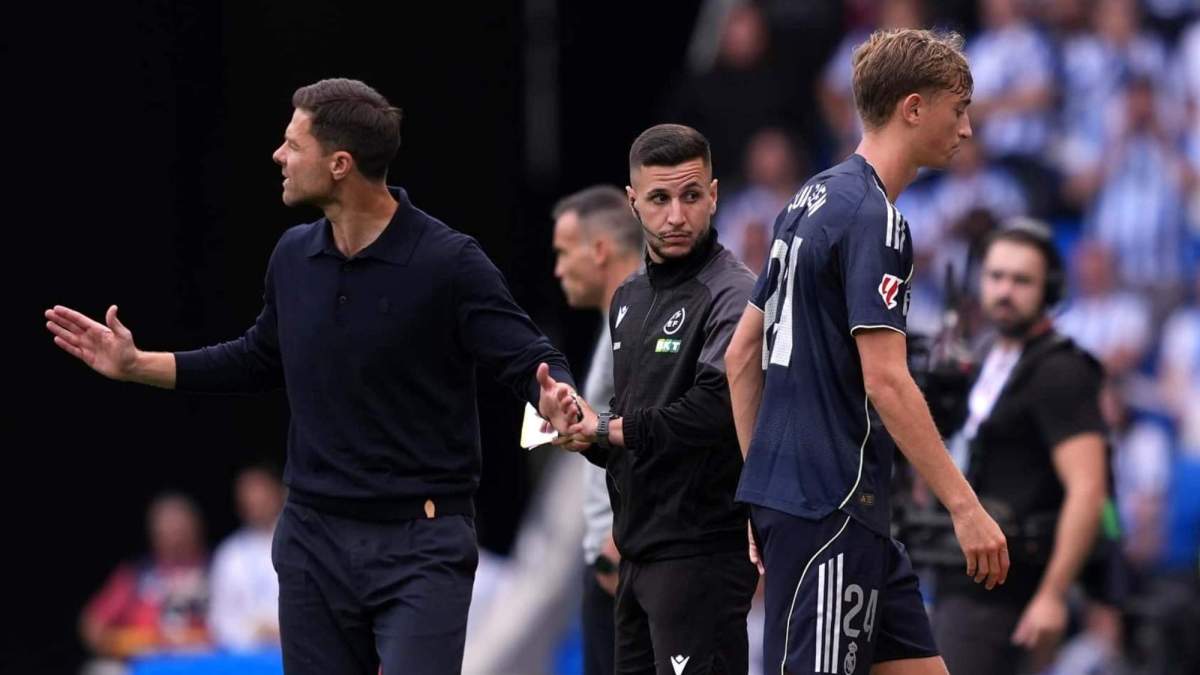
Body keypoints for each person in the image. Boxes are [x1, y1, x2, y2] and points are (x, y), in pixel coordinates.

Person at [46, 78, 582, 675]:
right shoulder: (292, 257)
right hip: (312, 542)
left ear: (339, 164)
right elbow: (258, 357)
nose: (278, 155)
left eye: (291, 144)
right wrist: (137, 364)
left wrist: (554, 394)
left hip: (421, 544)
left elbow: (525, 356)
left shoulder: (448, 261)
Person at [725, 28, 1009, 674]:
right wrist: (964, 506)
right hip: (831, 505)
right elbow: (886, 381)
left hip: (831, 506)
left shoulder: (806, 199)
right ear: (913, 108)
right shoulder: (877, 219)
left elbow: (742, 356)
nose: (966, 129)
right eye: (958, 109)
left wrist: (761, 491)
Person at [556, 124, 759, 675]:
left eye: (691, 196)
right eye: (659, 199)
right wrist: (582, 432)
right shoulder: (628, 297)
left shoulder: (735, 292)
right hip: (639, 557)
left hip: (702, 554)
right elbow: (632, 430)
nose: (676, 216)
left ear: (713, 195)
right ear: (632, 203)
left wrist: (606, 430)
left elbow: (715, 409)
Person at [935, 221, 1110, 675]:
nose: (1005, 291)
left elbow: (1088, 490)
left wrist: (1052, 595)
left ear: (1049, 287)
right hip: (961, 580)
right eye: (996, 277)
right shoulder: (989, 355)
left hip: (1009, 593)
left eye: (1021, 280)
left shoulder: (1060, 371)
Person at [551, 185, 644, 675]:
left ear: (600, 250)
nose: (558, 268)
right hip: (613, 554)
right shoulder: (617, 320)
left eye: (564, 252)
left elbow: (651, 431)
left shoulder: (640, 320)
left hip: (622, 557)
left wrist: (616, 544)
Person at [81, 493, 210, 666]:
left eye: (181, 527)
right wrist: (126, 644)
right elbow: (93, 626)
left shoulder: (220, 569)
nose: (175, 535)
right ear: (154, 532)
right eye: (167, 527)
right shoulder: (136, 573)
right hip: (142, 664)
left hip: (205, 663)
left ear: (197, 527)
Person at [208, 463, 285, 652]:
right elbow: (220, 617)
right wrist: (254, 633)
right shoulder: (229, 554)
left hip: (298, 649)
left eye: (262, 494)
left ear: (279, 493)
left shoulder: (303, 544)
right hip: (248, 658)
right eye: (249, 497)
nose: (256, 502)